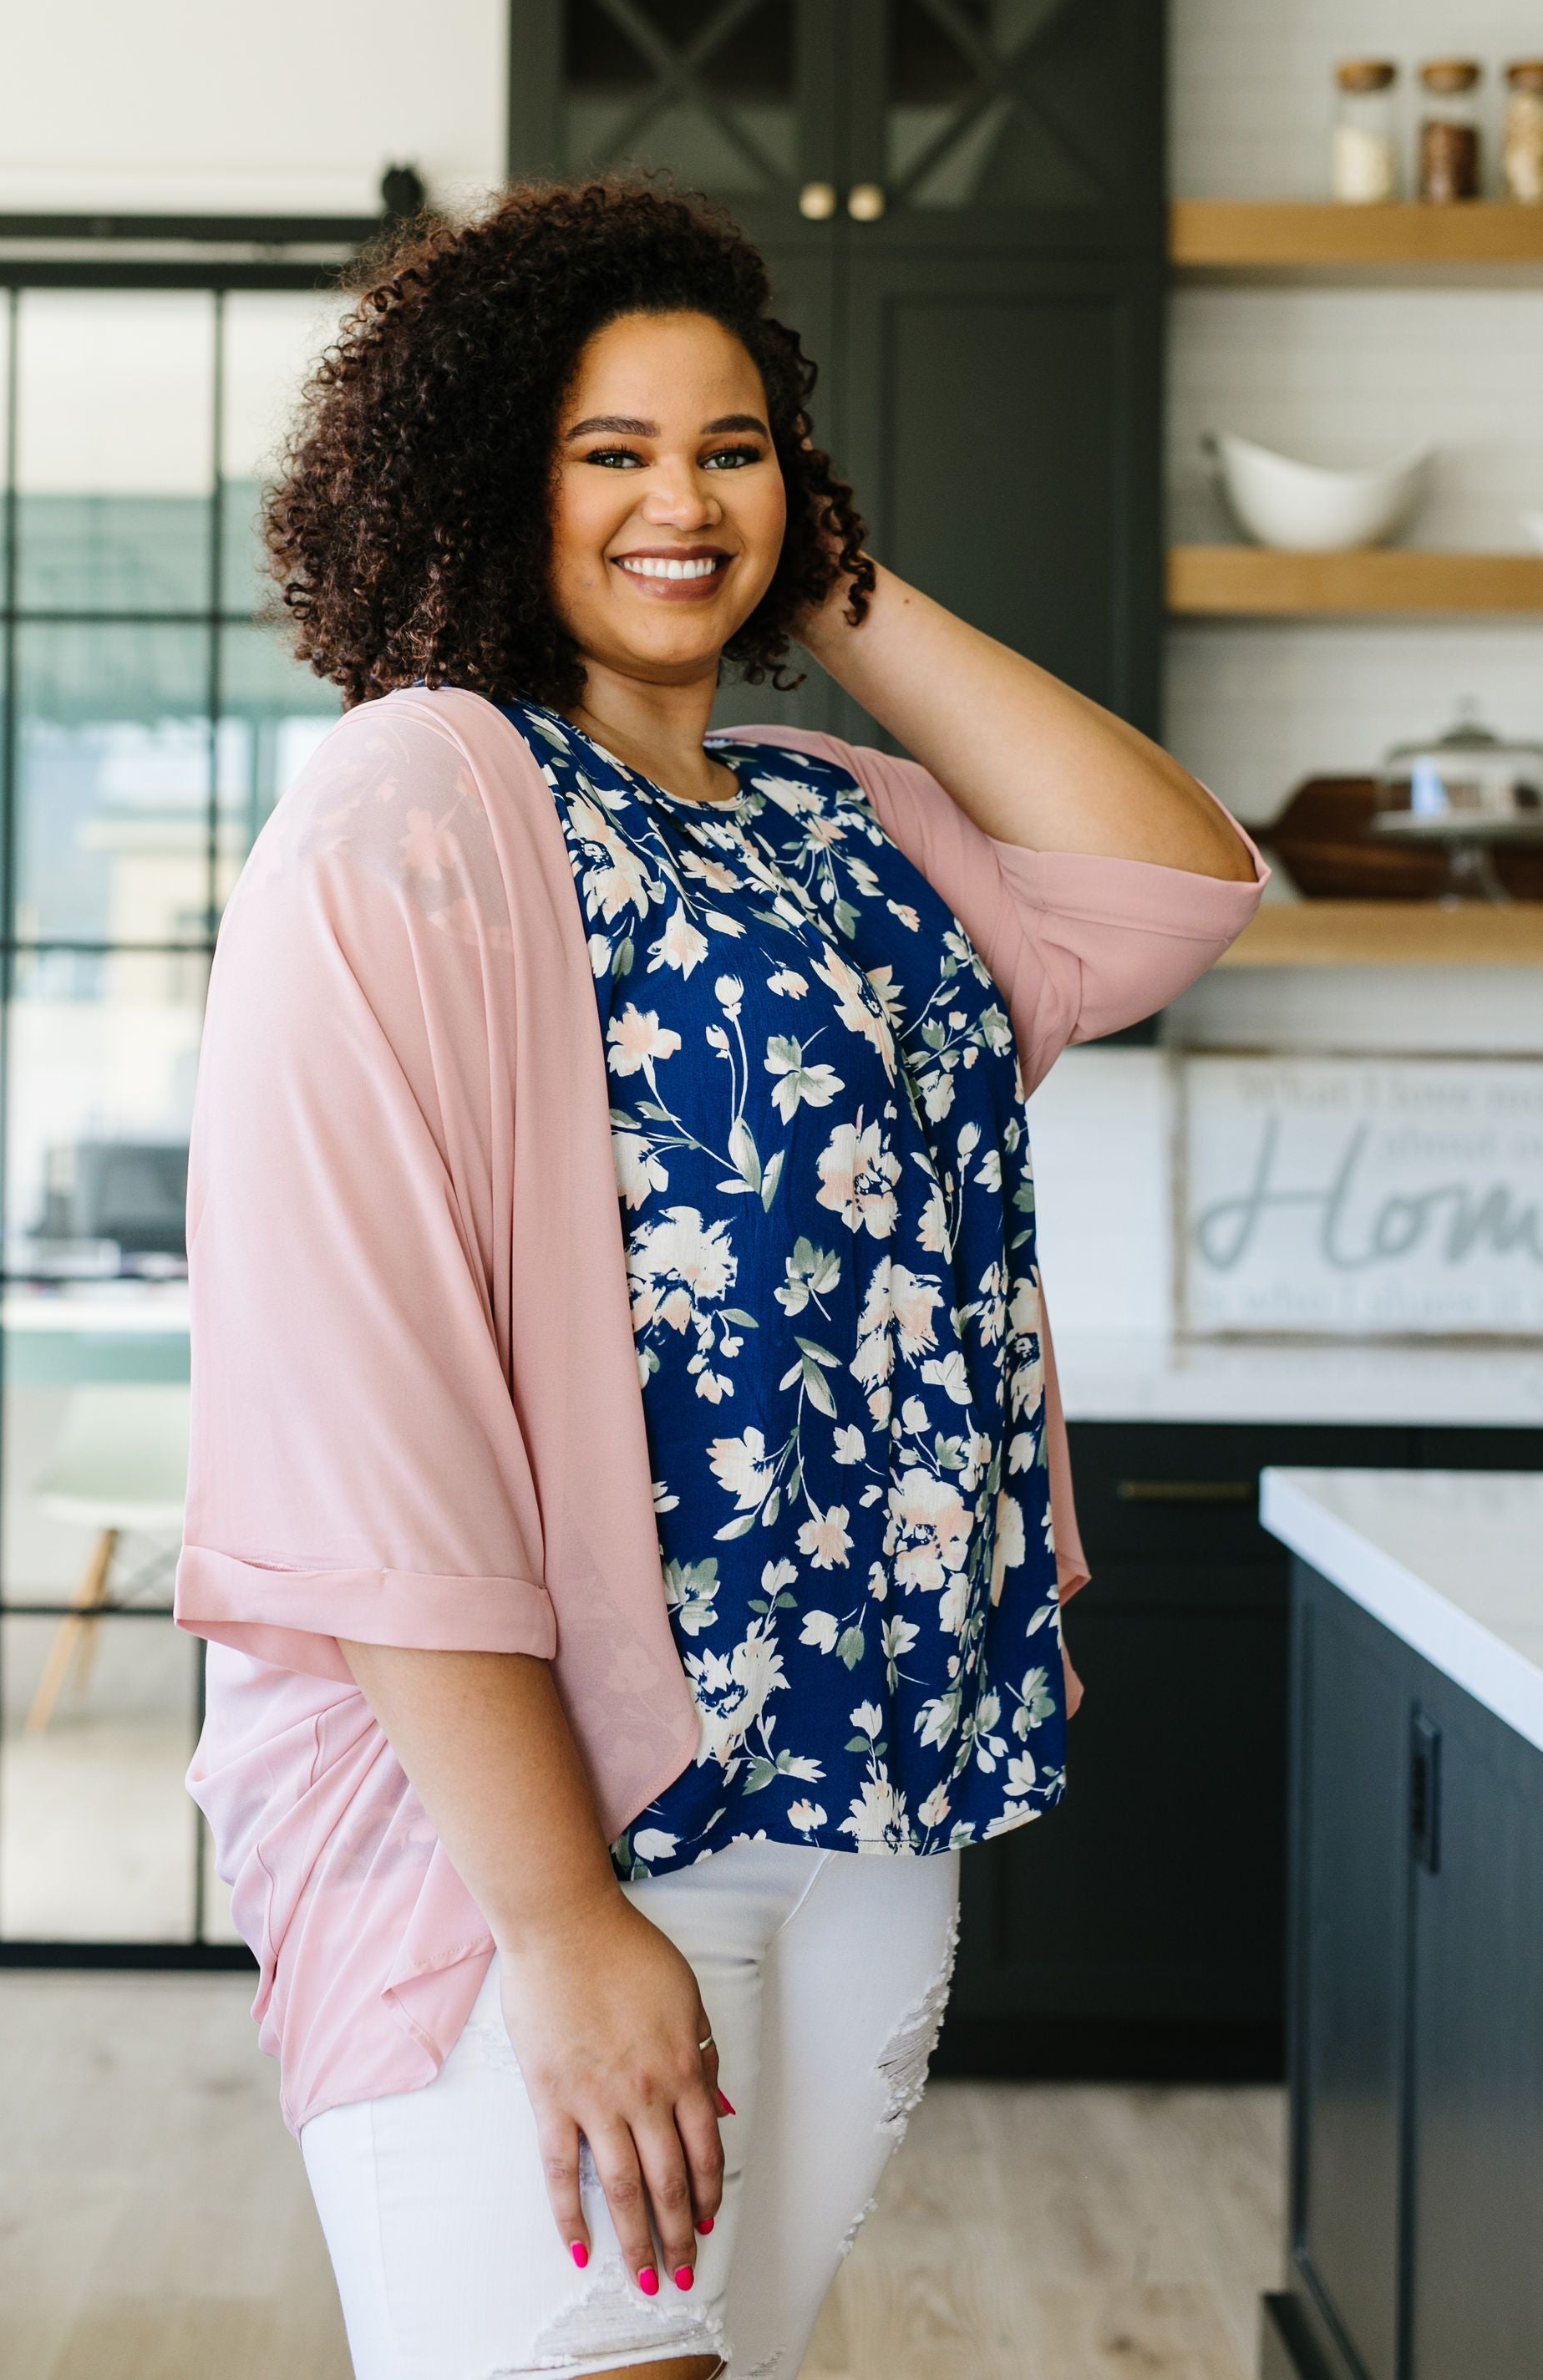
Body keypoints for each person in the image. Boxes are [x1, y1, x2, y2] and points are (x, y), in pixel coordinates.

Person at [175, 177, 1263, 2380]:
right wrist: (559, 1915)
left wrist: (821, 577)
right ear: (495, 480)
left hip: (871, 1797)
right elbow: (360, 1414)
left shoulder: (842, 817)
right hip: (548, 1820)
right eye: (612, 453)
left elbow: (1168, 893)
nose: (684, 497)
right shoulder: (420, 806)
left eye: (736, 445)